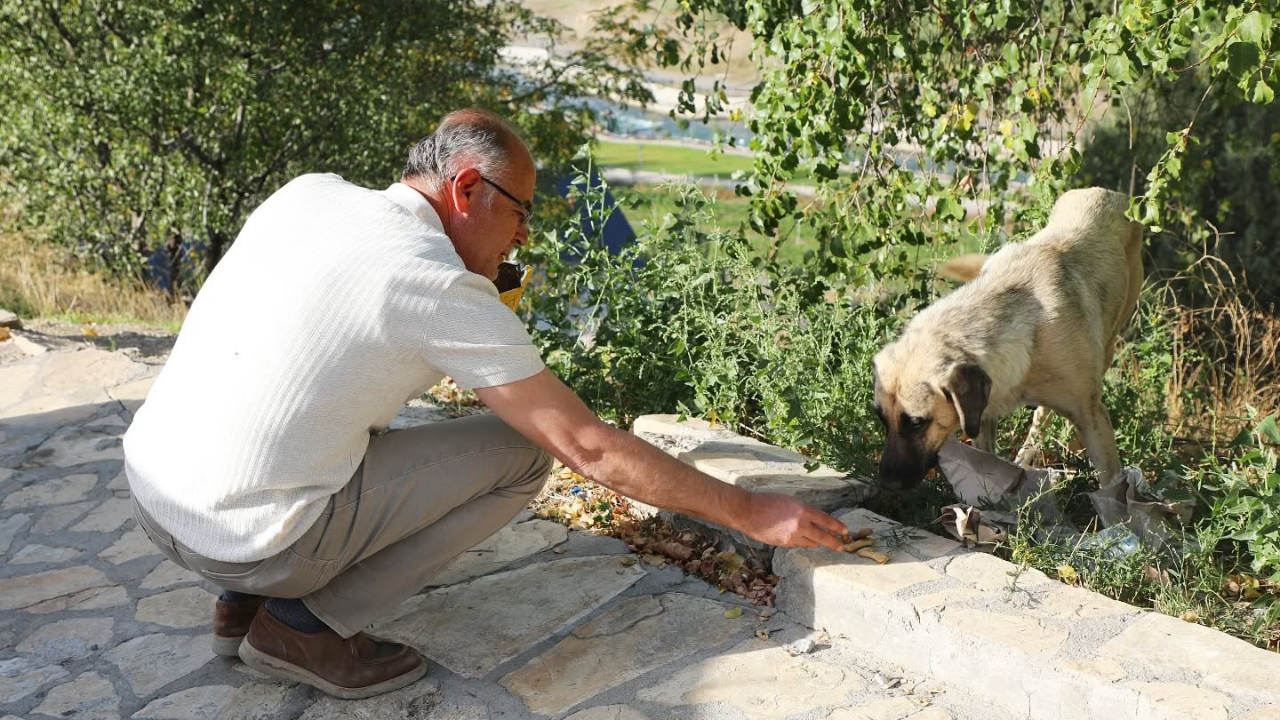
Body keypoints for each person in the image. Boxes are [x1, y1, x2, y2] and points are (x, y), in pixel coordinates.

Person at [123, 108, 850, 700]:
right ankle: (301, 626)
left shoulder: (310, 192)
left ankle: (236, 600)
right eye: (521, 211)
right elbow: (585, 445)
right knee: (524, 452)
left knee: (318, 399)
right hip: (252, 540)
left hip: (157, 498)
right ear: (467, 189)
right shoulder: (430, 282)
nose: (524, 234)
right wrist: (753, 512)